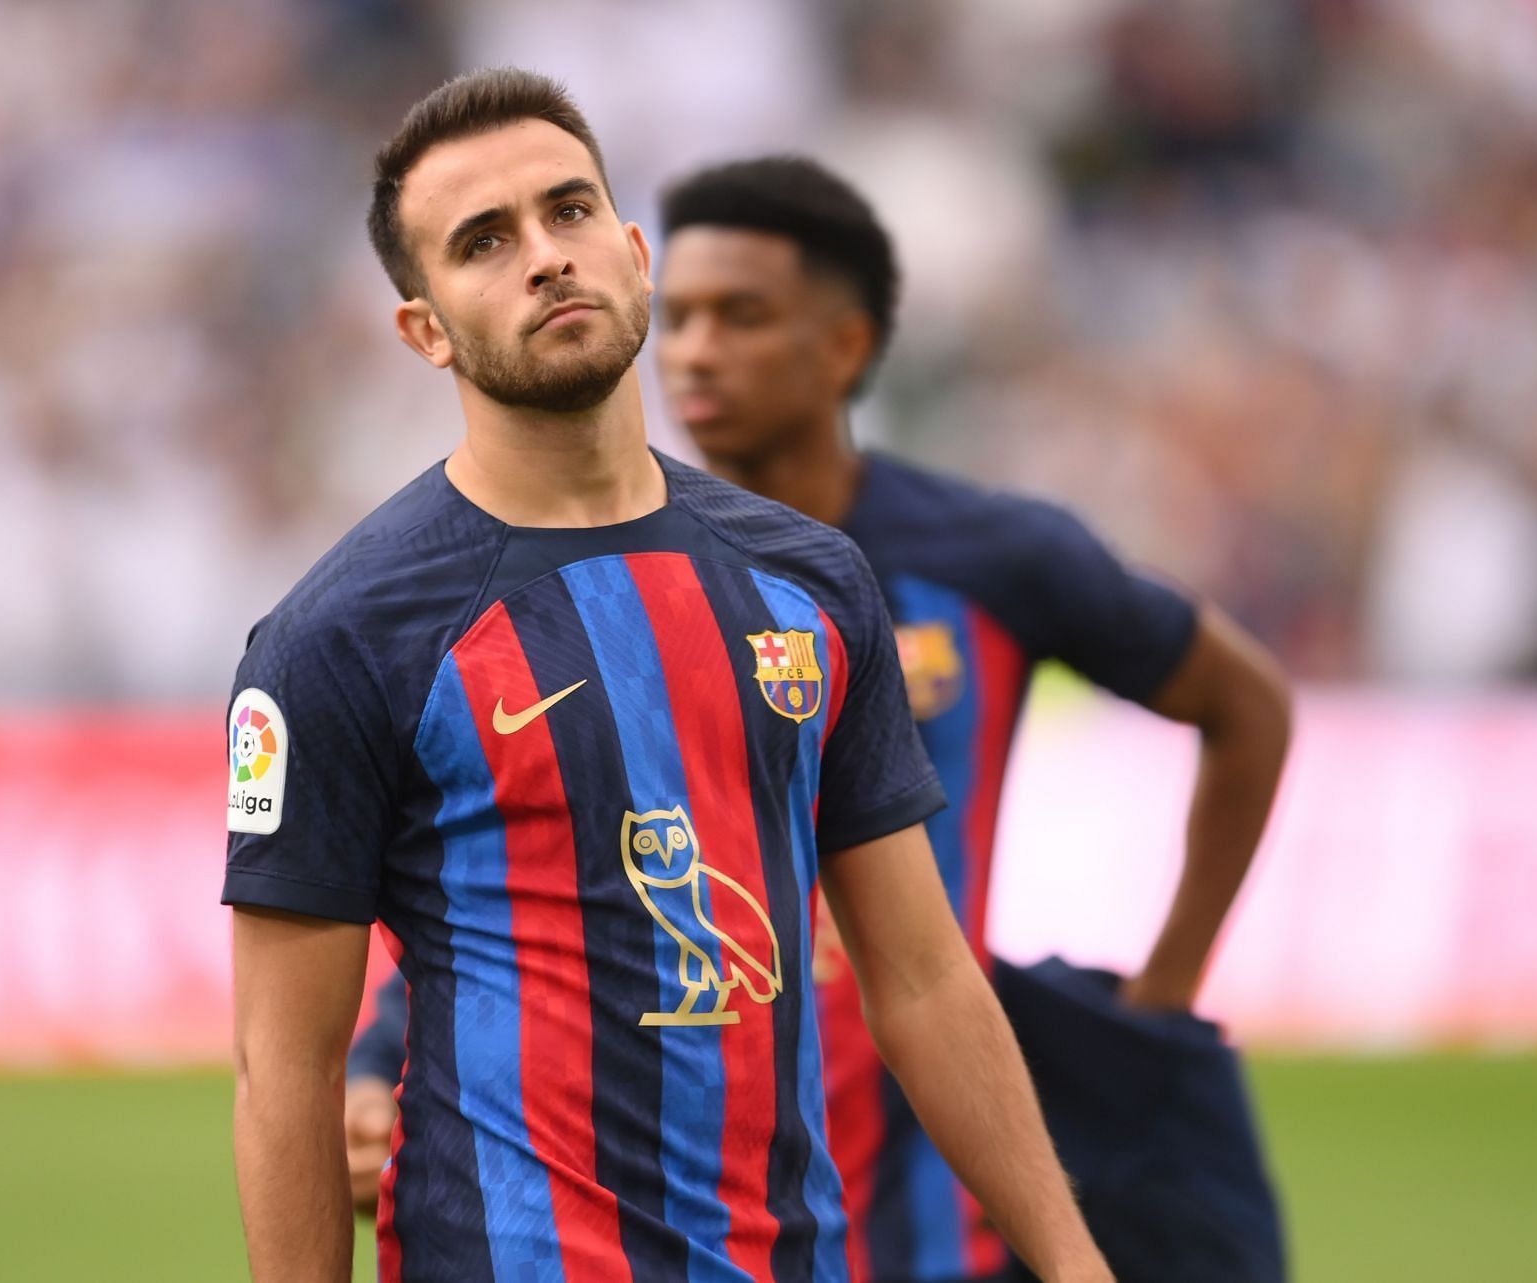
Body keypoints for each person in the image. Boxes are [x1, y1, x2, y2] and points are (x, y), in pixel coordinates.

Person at [225, 71, 1113, 1283]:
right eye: (485, 242)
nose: (545, 257)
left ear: (636, 253)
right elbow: (287, 1068)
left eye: (570, 211)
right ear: (425, 328)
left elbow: (921, 978)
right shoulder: (340, 639)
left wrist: (1072, 1260)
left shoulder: (812, 582)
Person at [348, 152, 1294, 1282]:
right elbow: (553, 868)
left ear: (843, 346)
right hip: (702, 1204)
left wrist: (1162, 995)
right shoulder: (603, 589)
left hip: (942, 1196)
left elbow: (1246, 705)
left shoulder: (991, 556)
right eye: (685, 316)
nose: (697, 349)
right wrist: (380, 1056)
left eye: (740, 316)